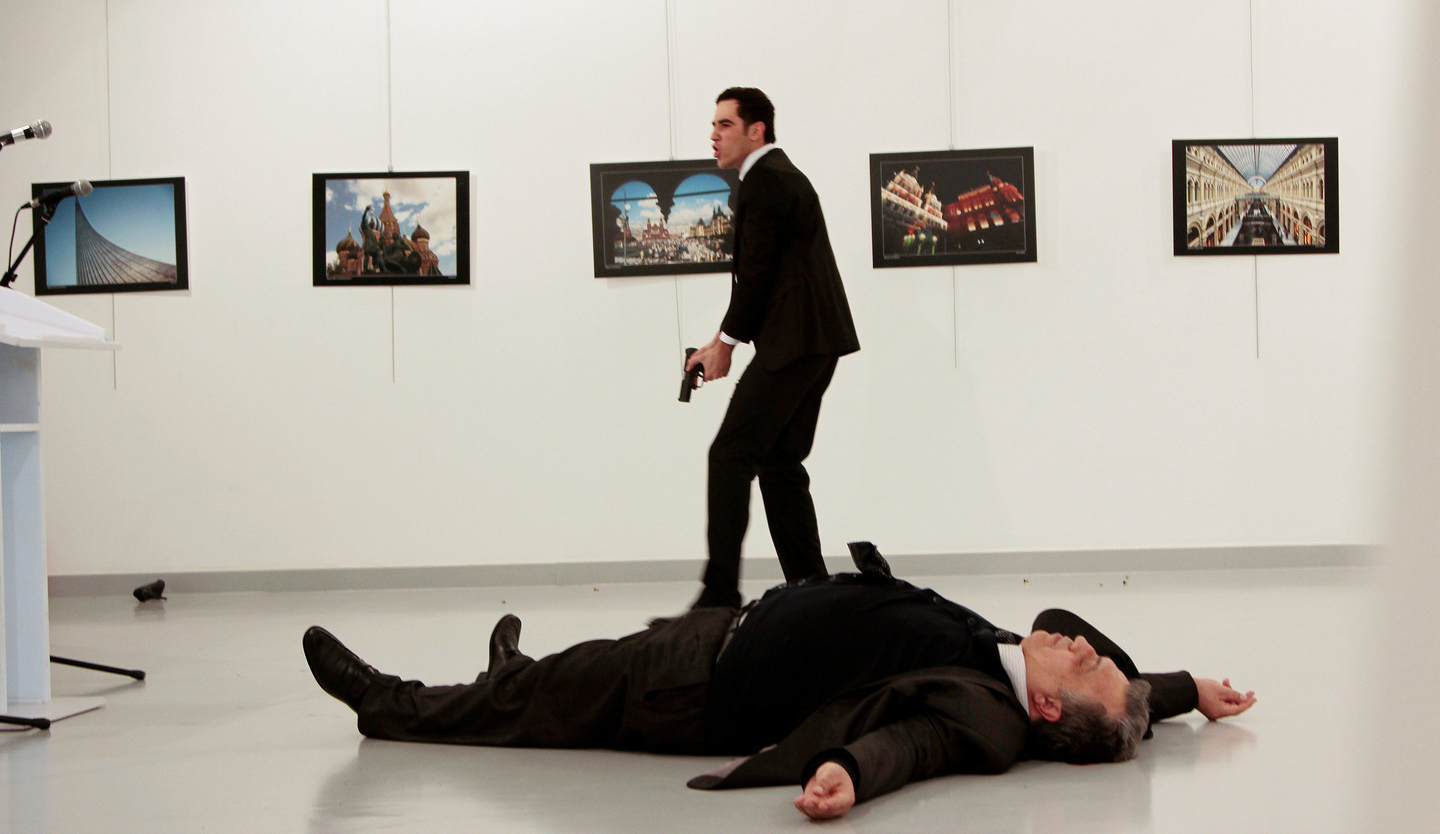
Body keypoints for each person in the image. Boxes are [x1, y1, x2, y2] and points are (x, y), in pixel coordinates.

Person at [302, 544, 1255, 820]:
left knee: (547, 697)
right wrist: (1182, 690)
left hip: (696, 688)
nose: (1081, 642)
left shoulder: (986, 716)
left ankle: (390, 704)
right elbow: (1112, 693)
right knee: (573, 671)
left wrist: (848, 771)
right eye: (1095, 650)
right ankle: (519, 675)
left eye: (1084, 663)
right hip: (725, 637)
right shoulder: (1019, 667)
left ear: (1046, 708)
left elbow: (909, 745)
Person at [685, 87, 860, 610]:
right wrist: (722, 341)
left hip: (796, 342)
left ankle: (718, 598)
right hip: (813, 341)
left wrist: (725, 345)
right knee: (780, 463)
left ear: (756, 129)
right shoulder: (777, 177)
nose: (713, 135)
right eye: (714, 125)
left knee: (730, 455)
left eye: (725, 125)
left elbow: (756, 277)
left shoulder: (766, 181)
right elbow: (771, 275)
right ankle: (813, 595)